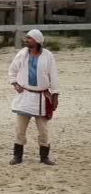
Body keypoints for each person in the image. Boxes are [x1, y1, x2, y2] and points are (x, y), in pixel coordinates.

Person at [8, 29, 59, 166]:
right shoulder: (22, 54)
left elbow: (53, 76)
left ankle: (44, 157)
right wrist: (14, 83)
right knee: (20, 129)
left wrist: (55, 94)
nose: (26, 40)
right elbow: (12, 70)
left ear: (36, 40)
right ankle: (17, 156)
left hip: (41, 98)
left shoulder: (48, 56)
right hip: (25, 96)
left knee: (43, 131)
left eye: (29, 38)